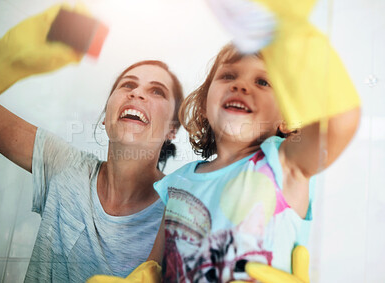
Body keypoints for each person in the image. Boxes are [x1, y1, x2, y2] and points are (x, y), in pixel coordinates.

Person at [0, 5, 184, 282]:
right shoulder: (65, 165)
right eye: (127, 85)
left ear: (172, 129)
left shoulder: (181, 208)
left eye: (157, 91)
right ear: (105, 117)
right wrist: (9, 57)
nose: (137, 93)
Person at [148, 43, 360, 282]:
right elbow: (154, 267)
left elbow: (340, 122)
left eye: (262, 82)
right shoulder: (177, 182)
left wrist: (299, 38)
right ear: (205, 103)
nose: (240, 85)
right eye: (228, 76)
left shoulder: (283, 163)